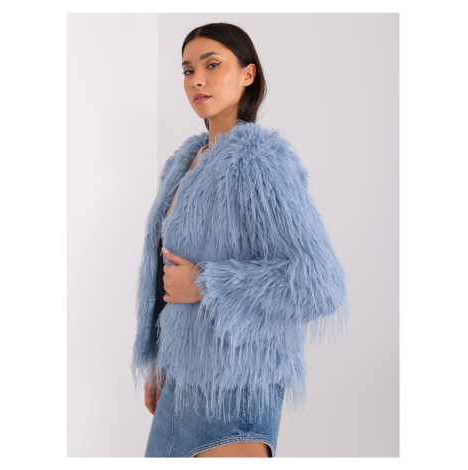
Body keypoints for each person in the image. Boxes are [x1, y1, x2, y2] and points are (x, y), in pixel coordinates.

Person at [132, 22, 349, 458]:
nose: (197, 79)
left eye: (212, 65)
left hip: (237, 388)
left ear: (248, 74)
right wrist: (160, 359)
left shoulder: (259, 161)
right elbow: (166, 272)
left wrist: (207, 283)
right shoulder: (186, 161)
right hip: (182, 382)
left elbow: (320, 283)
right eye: (188, 70)